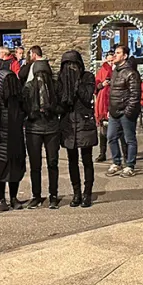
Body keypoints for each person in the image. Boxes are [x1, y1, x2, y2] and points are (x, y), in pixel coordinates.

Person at [21, 46, 61, 208]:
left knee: (52, 163)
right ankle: (37, 195)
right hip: (35, 128)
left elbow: (62, 105)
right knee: (36, 164)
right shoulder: (29, 87)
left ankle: (52, 194)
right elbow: (24, 106)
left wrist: (50, 109)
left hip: (50, 127)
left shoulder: (55, 86)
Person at [59, 51, 98, 208]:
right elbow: (61, 103)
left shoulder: (87, 77)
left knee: (87, 160)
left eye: (73, 65)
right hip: (69, 124)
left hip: (84, 122)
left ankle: (87, 193)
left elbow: (87, 96)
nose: (70, 68)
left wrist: (76, 83)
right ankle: (77, 193)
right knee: (72, 160)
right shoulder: (61, 80)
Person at [0, 61, 26, 211]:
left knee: (14, 170)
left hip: (13, 140)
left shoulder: (18, 100)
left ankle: (11, 198)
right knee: (1, 171)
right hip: (0, 140)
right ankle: (2, 198)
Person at [106, 44, 141, 178]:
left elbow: (135, 95)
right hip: (114, 112)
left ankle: (130, 165)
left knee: (129, 139)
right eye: (115, 53)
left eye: (118, 53)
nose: (115, 55)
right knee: (111, 137)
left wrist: (128, 111)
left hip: (126, 113)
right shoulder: (115, 72)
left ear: (125, 56)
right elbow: (113, 93)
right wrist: (110, 109)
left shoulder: (131, 73)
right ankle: (116, 162)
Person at [93, 51, 120, 163]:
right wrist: (101, 85)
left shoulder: (119, 70)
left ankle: (121, 154)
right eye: (108, 60)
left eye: (111, 60)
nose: (110, 62)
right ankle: (102, 153)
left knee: (118, 131)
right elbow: (96, 85)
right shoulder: (102, 70)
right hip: (103, 102)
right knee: (103, 130)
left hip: (115, 100)